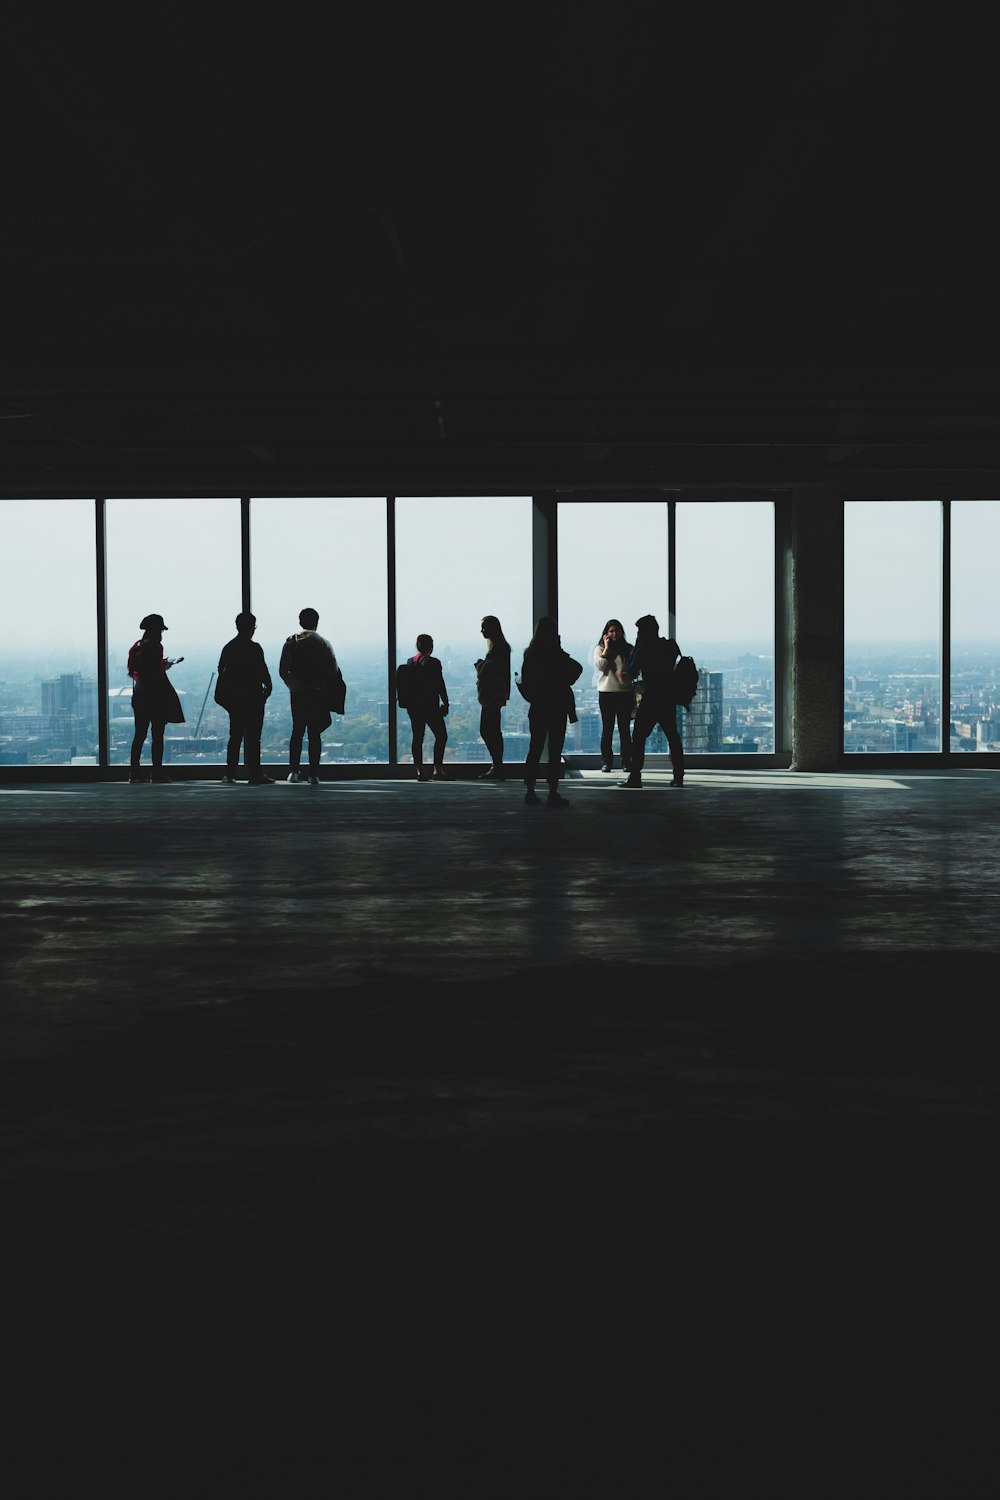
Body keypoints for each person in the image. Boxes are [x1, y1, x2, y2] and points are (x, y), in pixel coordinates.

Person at [518, 616, 583, 808]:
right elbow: (576, 669)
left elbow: (527, 679)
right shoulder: (556, 653)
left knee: (535, 748)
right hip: (557, 705)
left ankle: (530, 790)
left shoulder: (530, 654)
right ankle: (553, 792)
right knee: (555, 750)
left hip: (539, 705)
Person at [620, 614, 685, 789]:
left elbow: (631, 672)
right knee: (673, 736)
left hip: (651, 698)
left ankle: (635, 776)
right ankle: (679, 776)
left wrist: (636, 651)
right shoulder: (670, 646)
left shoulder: (644, 650)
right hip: (668, 697)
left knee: (639, 736)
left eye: (640, 631)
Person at [278, 607, 339, 785]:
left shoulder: (291, 643)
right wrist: (321, 684)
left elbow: (283, 670)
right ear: (316, 622)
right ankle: (313, 774)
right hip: (317, 693)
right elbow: (333, 669)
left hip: (297, 694)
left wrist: (294, 685)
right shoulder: (324, 643)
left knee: (297, 731)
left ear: (300, 622)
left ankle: (293, 772)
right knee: (314, 733)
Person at [215, 611, 274, 785]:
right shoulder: (254, 648)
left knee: (235, 736)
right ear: (252, 628)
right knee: (253, 737)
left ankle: (230, 773)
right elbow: (263, 671)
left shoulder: (229, 647)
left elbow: (221, 671)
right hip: (254, 698)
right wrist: (267, 689)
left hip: (235, 698)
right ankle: (255, 774)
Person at [127, 613, 185, 784]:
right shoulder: (156, 647)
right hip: (155, 694)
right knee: (157, 735)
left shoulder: (138, 646)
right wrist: (165, 665)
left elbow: (138, 671)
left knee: (139, 734)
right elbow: (156, 671)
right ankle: (157, 772)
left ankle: (134, 772)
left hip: (140, 693)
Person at [399, 633, 450, 781]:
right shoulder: (433, 662)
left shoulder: (410, 662)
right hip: (430, 706)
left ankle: (420, 772)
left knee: (417, 737)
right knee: (441, 735)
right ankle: (437, 770)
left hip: (413, 706)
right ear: (431, 647)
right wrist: (446, 703)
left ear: (417, 646)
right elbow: (440, 684)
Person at [593, 618, 634, 774]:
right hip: (606, 692)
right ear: (606, 634)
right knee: (607, 728)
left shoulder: (629, 649)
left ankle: (626, 761)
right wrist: (607, 649)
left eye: (617, 631)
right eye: (611, 631)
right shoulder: (600, 648)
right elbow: (600, 666)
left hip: (625, 692)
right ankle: (606, 762)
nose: (614, 633)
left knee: (624, 729)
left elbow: (635, 668)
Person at [474, 615, 512, 779]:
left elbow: (492, 671)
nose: (481, 631)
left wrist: (480, 665)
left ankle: (497, 766)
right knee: (493, 730)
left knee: (489, 730)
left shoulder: (498, 648)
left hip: (491, 695)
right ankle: (498, 766)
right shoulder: (500, 647)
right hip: (495, 694)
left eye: (484, 627)